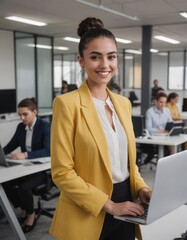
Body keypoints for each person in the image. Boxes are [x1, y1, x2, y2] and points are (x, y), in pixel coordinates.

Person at [49, 17, 151, 240]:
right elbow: (62, 172)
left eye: (111, 57)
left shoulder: (123, 104)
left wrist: (142, 188)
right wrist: (110, 206)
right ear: (81, 61)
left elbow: (128, 164)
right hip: (88, 207)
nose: (105, 65)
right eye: (95, 57)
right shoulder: (67, 104)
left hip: (127, 201)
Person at [3, 97, 50, 233]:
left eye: (25, 114)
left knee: (24, 188)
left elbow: (48, 150)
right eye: (20, 115)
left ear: (34, 112)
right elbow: (10, 146)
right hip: (26, 169)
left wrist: (25, 155)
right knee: (5, 183)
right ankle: (24, 208)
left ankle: (31, 215)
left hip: (42, 171)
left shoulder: (45, 126)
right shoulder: (21, 127)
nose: (22, 118)